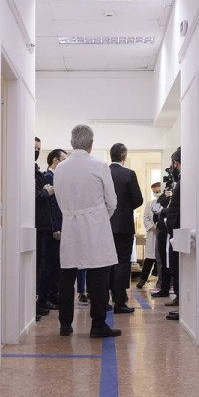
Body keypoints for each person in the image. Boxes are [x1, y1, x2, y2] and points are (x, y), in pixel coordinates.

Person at [53, 125, 121, 338]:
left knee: (67, 275)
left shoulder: (60, 168)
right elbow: (112, 201)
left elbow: (59, 199)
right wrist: (99, 216)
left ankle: (65, 324)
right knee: (98, 274)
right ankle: (98, 325)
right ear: (91, 144)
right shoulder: (99, 165)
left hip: (70, 224)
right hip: (95, 225)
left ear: (72, 143)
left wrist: (71, 213)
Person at [107, 143, 144, 314]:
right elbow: (138, 199)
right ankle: (119, 301)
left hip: (105, 224)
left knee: (106, 262)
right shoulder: (129, 174)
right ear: (124, 157)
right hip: (124, 225)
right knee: (122, 262)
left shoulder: (103, 172)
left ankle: (104, 301)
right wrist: (125, 207)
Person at [43, 149, 68, 305]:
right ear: (55, 160)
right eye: (63, 159)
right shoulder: (48, 177)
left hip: (60, 224)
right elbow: (52, 205)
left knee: (57, 262)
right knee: (52, 263)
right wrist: (55, 227)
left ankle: (55, 294)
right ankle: (50, 296)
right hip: (54, 226)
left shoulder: (57, 177)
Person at [34, 137, 55, 318]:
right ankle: (37, 303)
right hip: (37, 224)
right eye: (34, 148)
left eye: (39, 149)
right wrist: (46, 191)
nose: (36, 151)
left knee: (44, 265)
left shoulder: (36, 171)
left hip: (44, 224)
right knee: (39, 266)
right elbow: (32, 194)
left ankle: (41, 301)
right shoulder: (29, 172)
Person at [164, 148, 182, 321]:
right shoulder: (180, 181)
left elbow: (176, 207)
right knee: (174, 266)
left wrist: (164, 212)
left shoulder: (183, 181)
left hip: (177, 230)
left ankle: (181, 302)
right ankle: (179, 299)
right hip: (174, 230)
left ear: (176, 163)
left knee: (177, 266)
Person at [136, 182, 162, 288]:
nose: (157, 193)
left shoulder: (167, 202)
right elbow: (146, 218)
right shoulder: (150, 204)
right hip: (152, 233)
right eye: (155, 192)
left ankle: (158, 279)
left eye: (158, 191)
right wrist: (153, 227)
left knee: (160, 259)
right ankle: (142, 279)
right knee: (149, 258)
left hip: (163, 233)